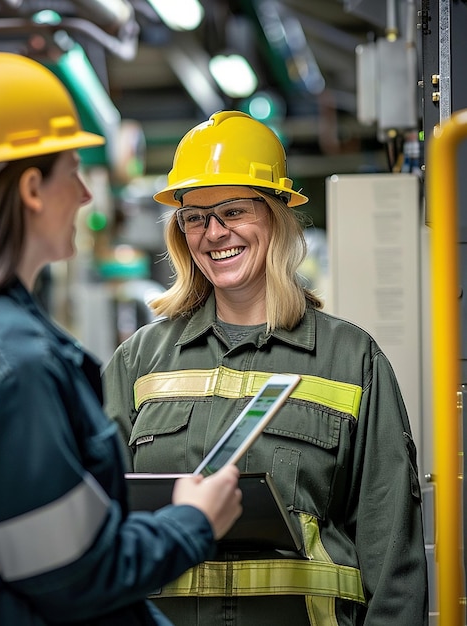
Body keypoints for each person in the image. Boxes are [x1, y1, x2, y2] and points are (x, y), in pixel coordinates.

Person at [0, 52, 243, 626]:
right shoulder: (11, 362)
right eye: (74, 170)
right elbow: (76, 576)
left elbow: (40, 550)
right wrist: (192, 521)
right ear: (34, 189)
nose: (87, 195)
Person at [102, 110, 428, 625]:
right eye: (194, 217)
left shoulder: (351, 358)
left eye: (233, 211)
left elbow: (393, 559)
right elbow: (99, 528)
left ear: (276, 216)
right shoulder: (139, 361)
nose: (214, 233)